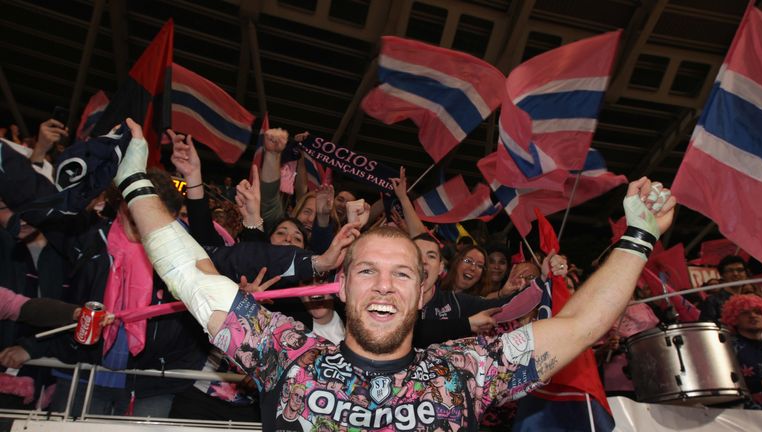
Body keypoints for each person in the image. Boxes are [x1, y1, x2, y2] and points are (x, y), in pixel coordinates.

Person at [114, 118, 674, 429]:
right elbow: (193, 276)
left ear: (425, 289)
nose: (384, 284)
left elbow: (580, 325)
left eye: (402, 274)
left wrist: (639, 236)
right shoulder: (286, 355)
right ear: (342, 282)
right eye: (368, 272)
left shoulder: (469, 371)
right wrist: (137, 184)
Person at [721, 294, 762, 410]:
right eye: (745, 313)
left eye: (757, 312)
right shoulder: (727, 347)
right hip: (745, 417)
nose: (753, 316)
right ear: (734, 319)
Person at [700, 255, 753, 324]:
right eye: (730, 271)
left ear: (746, 274)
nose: (735, 274)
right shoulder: (712, 301)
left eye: (740, 270)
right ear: (722, 275)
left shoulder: (752, 300)